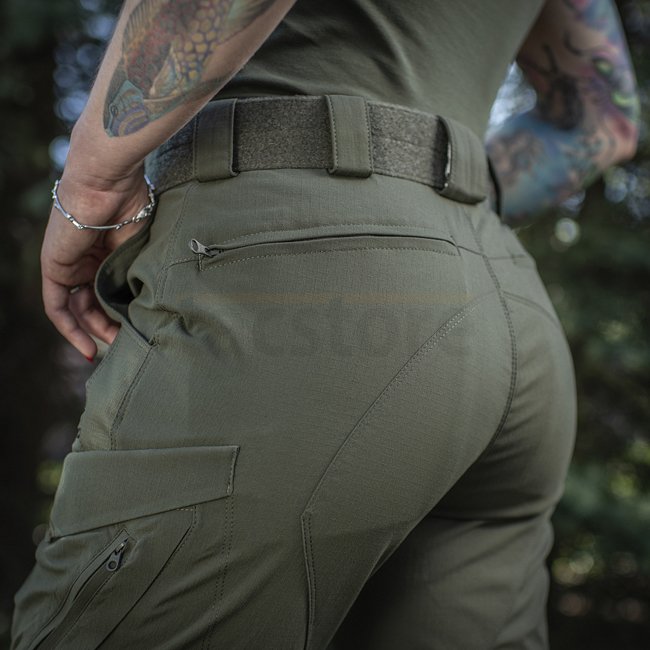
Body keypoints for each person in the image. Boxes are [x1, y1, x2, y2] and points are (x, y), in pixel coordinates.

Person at [11, 0, 639, 648]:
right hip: (506, 304)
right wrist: (427, 198)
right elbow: (602, 120)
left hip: (288, 269)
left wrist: (89, 182)